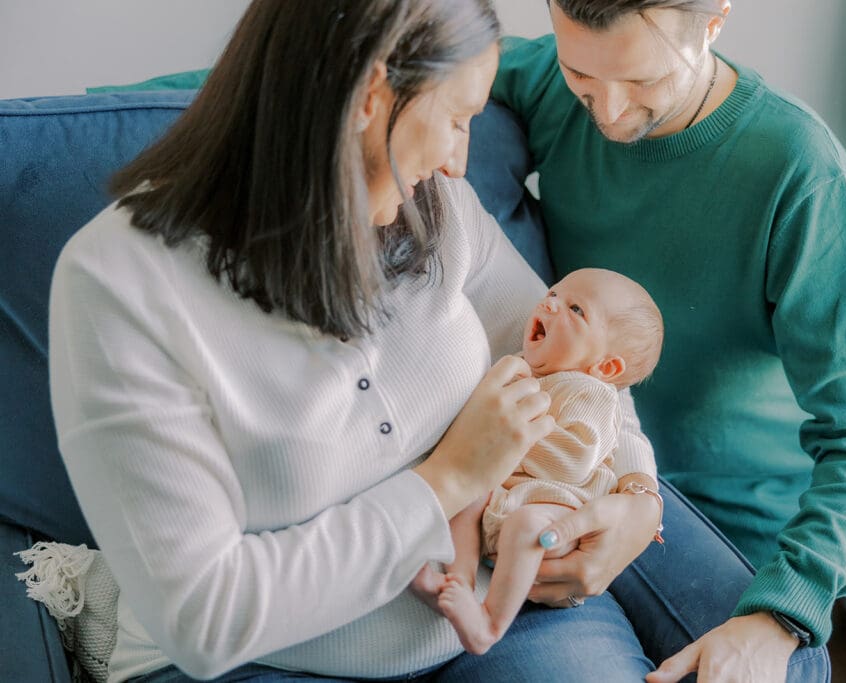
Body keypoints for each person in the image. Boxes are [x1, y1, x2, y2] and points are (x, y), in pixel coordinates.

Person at [47, 1, 667, 681]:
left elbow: (588, 350)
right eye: (457, 120)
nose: (460, 162)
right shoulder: (119, 285)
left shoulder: (434, 203)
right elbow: (206, 614)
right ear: (372, 93)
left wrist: (637, 491)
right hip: (270, 661)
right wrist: (446, 480)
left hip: (498, 615)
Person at [488, 1, 846, 681]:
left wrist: (778, 614)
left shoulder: (799, 174)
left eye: (642, 82)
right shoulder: (545, 81)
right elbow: (429, 55)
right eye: (581, 76)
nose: (606, 112)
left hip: (728, 524)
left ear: (715, 20)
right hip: (575, 470)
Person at [409, 268, 664, 655]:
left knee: (527, 525)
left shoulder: (589, 393)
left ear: (605, 368)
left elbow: (573, 460)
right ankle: (456, 582)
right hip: (512, 497)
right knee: (471, 495)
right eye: (554, 293)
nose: (550, 302)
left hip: (559, 509)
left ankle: (489, 623)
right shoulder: (524, 370)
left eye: (576, 309)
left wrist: (498, 437)